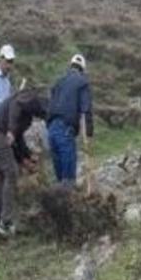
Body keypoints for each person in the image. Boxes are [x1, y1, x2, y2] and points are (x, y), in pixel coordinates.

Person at [0, 89, 47, 236]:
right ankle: (5, 222)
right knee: (11, 173)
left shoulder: (27, 116)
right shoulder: (30, 98)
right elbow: (16, 104)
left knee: (2, 178)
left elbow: (18, 139)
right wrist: (11, 130)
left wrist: (27, 156)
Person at [47, 54, 94, 187]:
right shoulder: (82, 83)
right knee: (68, 179)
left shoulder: (59, 81)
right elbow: (86, 109)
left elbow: (50, 104)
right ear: (82, 69)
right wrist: (89, 133)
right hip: (65, 129)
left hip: (51, 129)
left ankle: (59, 202)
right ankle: (69, 200)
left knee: (59, 177)